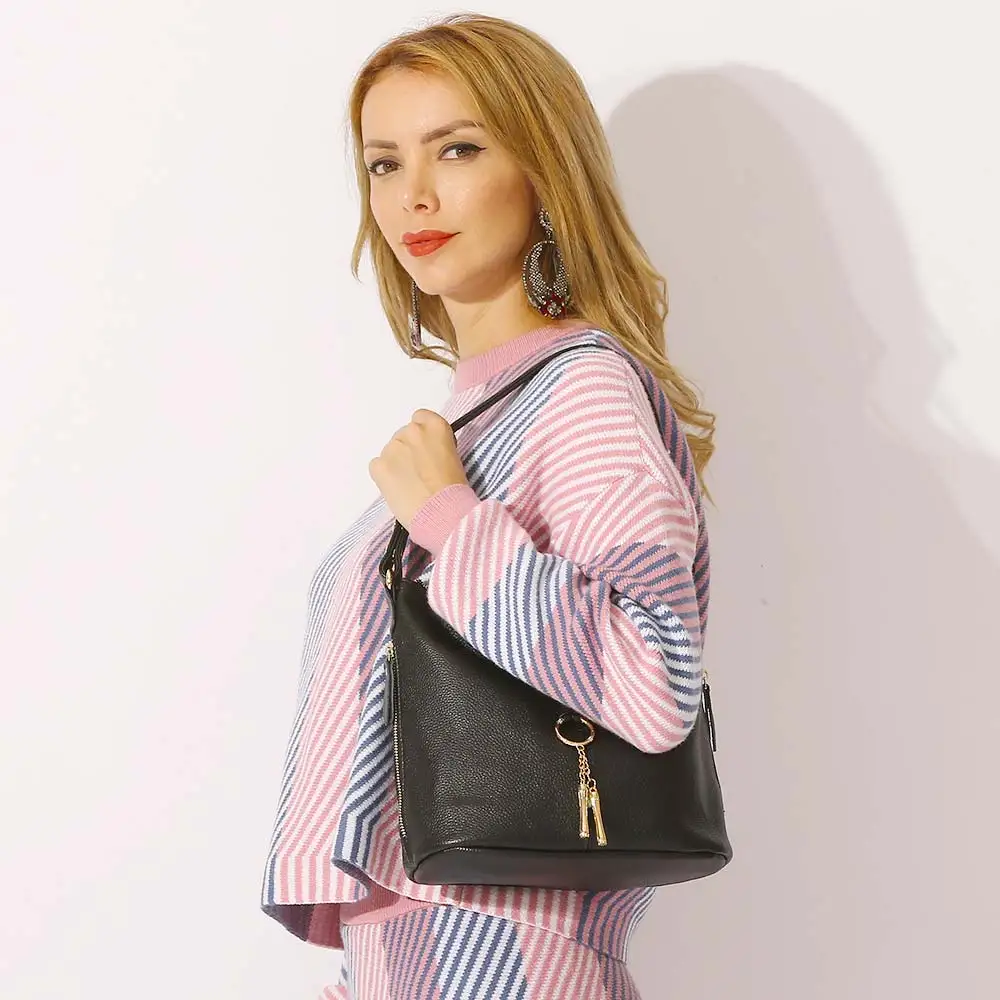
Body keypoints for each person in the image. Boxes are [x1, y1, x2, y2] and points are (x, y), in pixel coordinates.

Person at [259, 12, 717, 999]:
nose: (413, 195)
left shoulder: (582, 391)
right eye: (383, 163)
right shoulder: (484, 409)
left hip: (507, 958)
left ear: (543, 169)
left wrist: (452, 524)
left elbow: (654, 677)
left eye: (457, 149)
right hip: (420, 956)